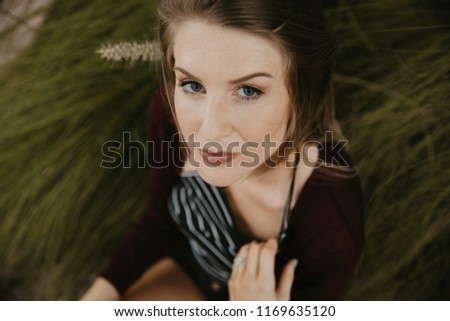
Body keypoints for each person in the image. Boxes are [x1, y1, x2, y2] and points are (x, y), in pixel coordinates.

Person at [81, 0, 364, 301]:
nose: (210, 130)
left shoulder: (331, 224)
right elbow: (159, 222)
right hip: (182, 275)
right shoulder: (168, 118)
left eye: (248, 91)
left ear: (305, 87)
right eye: (192, 85)